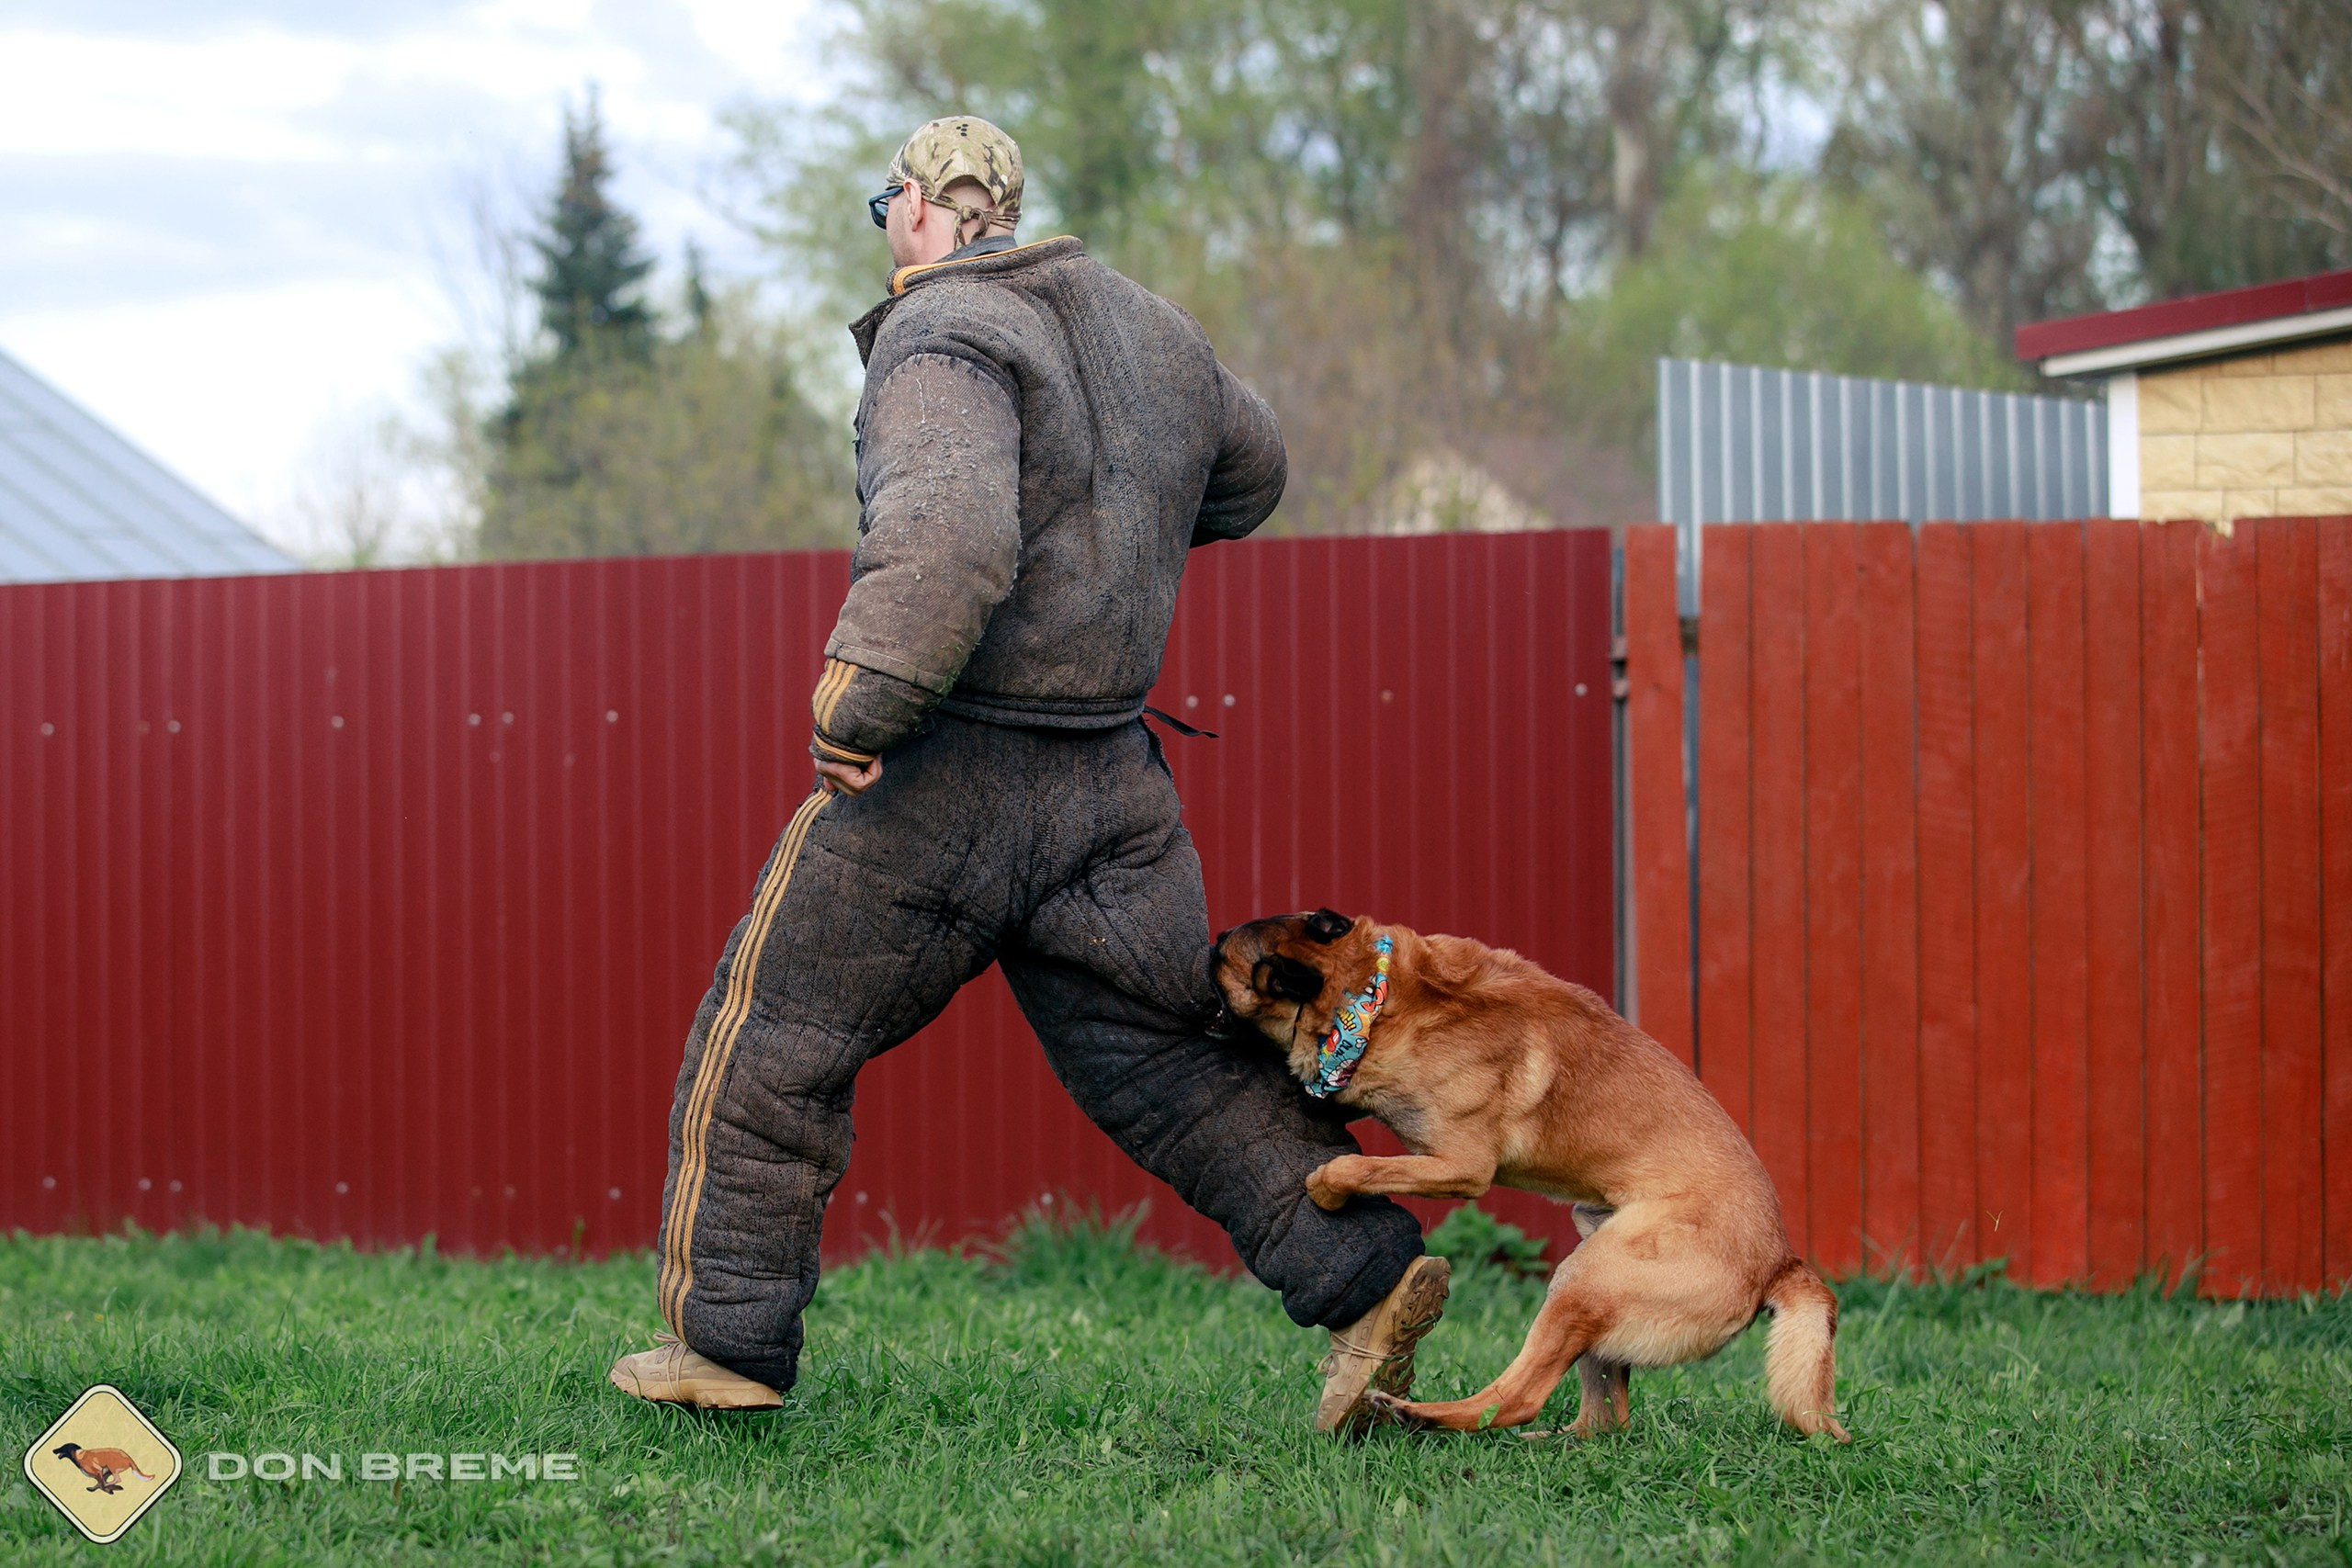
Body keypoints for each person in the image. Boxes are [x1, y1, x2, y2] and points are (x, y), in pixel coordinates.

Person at [608, 116, 1448, 1434]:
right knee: (1171, 1060)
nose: (886, 222)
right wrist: (1128, 502)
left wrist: (861, 697)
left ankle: (727, 1345)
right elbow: (1256, 467)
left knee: (773, 1042)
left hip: (943, 782)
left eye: (884, 199)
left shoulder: (944, 332)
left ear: (935, 206)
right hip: (1113, 789)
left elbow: (947, 539)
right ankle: (1365, 1277)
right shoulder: (1149, 328)